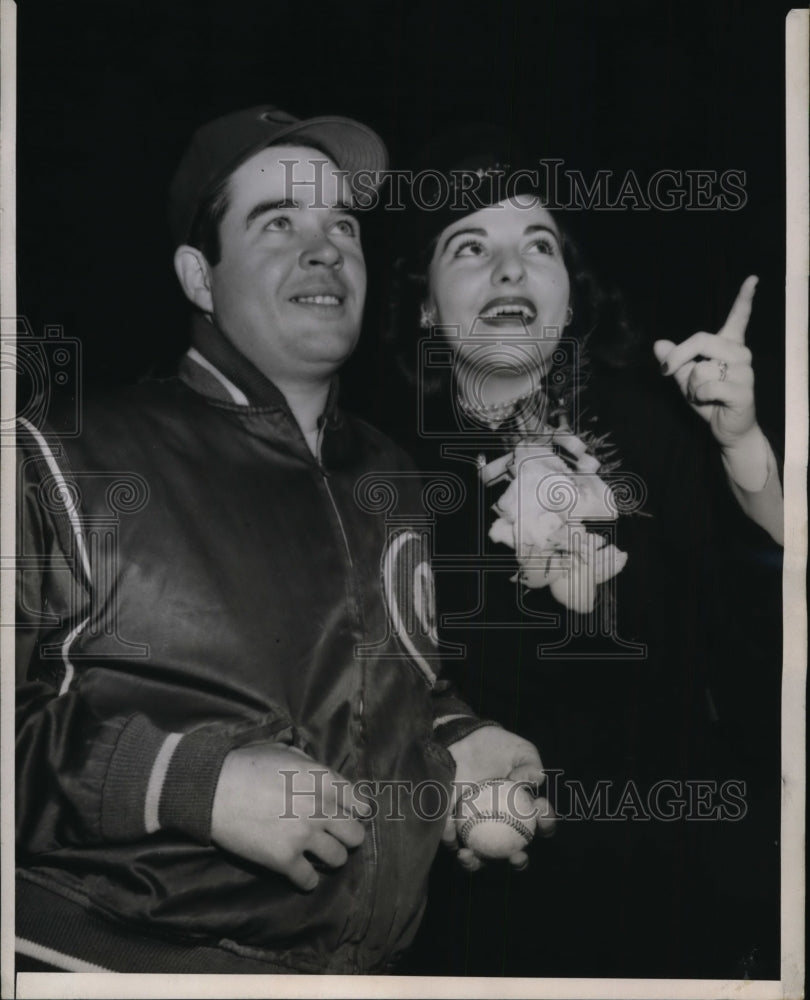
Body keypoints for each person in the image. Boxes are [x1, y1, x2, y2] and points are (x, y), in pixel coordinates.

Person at [15, 106, 553, 975]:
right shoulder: (62, 454)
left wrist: (455, 742)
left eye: (342, 223)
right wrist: (191, 785)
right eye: (278, 223)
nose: (325, 248)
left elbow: (377, 686)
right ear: (199, 274)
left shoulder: (390, 473)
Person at [386, 125, 784, 978]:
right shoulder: (383, 468)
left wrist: (745, 454)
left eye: (539, 245)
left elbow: (760, 644)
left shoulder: (661, 427)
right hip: (472, 909)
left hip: (678, 889)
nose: (509, 268)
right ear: (424, 304)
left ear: (569, 295)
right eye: (470, 247)